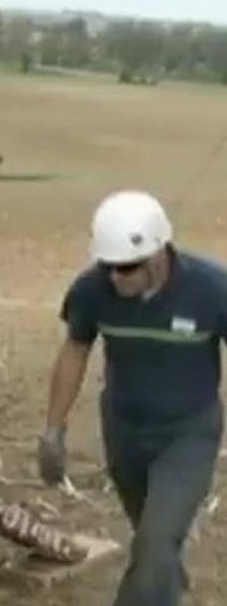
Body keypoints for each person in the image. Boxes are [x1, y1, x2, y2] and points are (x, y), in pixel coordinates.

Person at [38, 189, 225, 606]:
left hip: (189, 433)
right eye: (108, 267)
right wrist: (52, 430)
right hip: (124, 431)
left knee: (156, 544)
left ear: (159, 254)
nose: (115, 278)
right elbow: (75, 351)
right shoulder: (91, 291)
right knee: (153, 542)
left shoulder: (212, 289)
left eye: (127, 268)